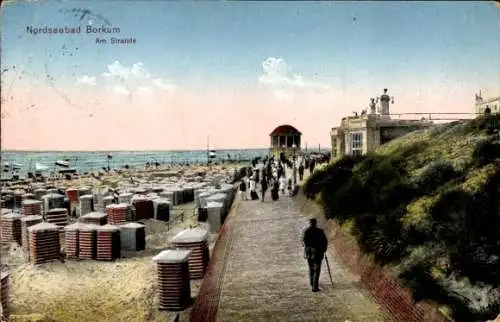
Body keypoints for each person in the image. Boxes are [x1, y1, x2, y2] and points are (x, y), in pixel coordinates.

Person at [303, 218, 328, 292]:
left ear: (310, 223)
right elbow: (325, 241)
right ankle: (314, 287)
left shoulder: (306, 231)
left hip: (309, 253)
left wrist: (307, 247)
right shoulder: (320, 231)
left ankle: (312, 283)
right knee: (316, 270)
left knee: (311, 268)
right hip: (318, 253)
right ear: (315, 223)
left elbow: (303, 242)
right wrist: (324, 250)